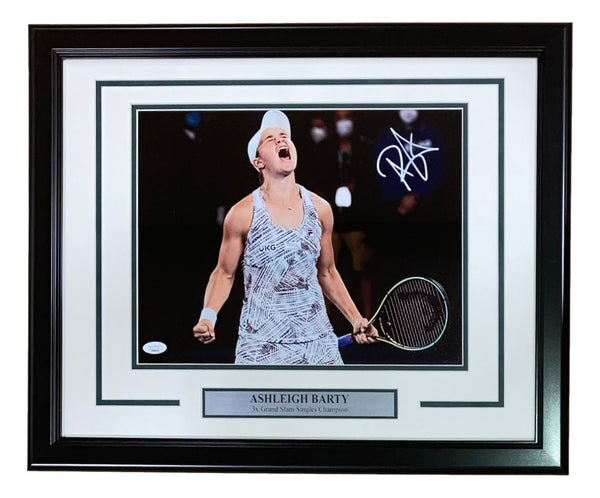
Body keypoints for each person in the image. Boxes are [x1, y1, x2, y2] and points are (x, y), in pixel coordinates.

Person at [192, 110, 378, 365]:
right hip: (260, 347)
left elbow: (327, 272)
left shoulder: (321, 209)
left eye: (284, 136)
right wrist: (208, 316)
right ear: (258, 161)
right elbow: (224, 273)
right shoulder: (242, 213)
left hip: (317, 344)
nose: (281, 140)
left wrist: (356, 318)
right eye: (270, 139)